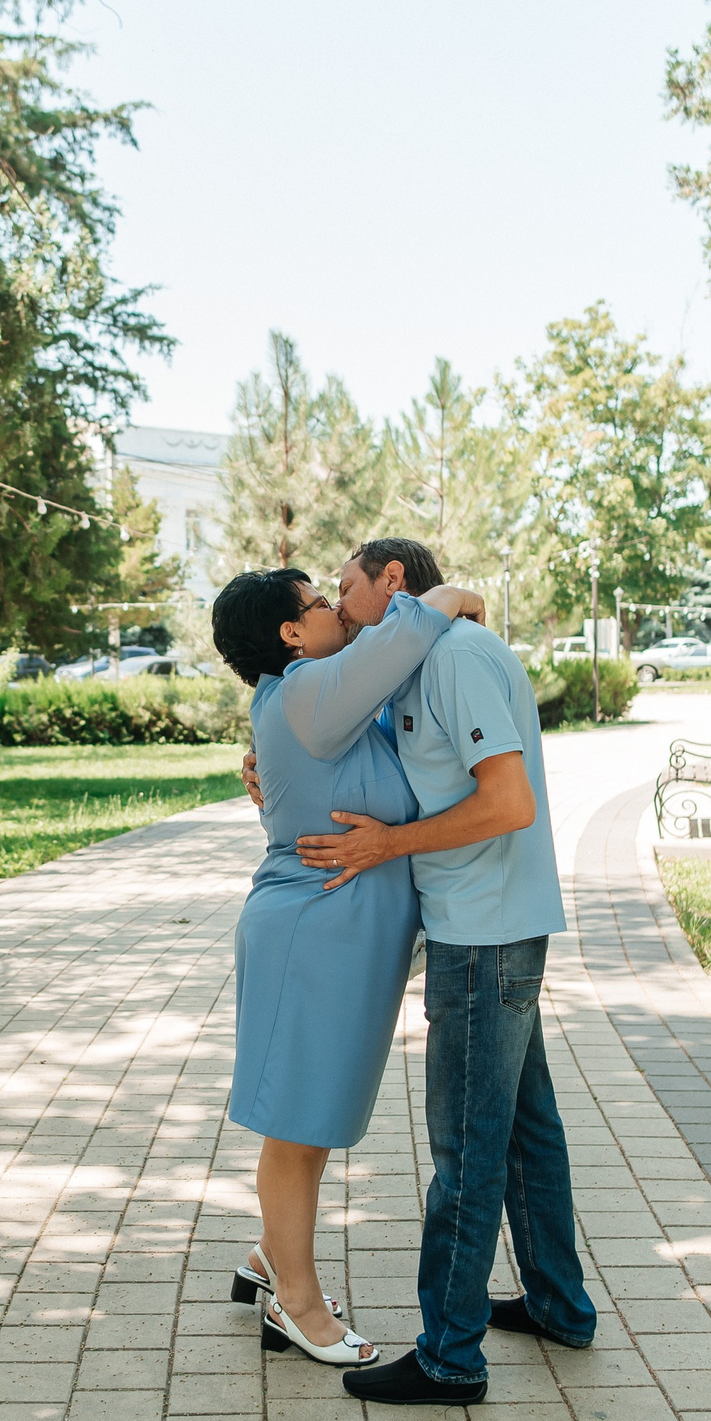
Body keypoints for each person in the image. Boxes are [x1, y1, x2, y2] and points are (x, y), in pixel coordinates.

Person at [278, 536, 596, 1406]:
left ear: (391, 583)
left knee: (466, 1146)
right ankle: (560, 1306)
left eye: (344, 587)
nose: (337, 605)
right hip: (479, 929)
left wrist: (388, 845)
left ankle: (450, 1354)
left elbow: (509, 802)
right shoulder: (416, 662)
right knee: (528, 1128)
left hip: (486, 937)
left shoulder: (456, 661)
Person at [210, 566, 483, 1366]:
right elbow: (402, 636)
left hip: (338, 936)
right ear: (292, 634)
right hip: (311, 934)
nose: (333, 609)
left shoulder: (316, 697)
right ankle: (295, 1304)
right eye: (319, 602)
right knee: (296, 1126)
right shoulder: (306, 690)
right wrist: (447, 595)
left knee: (314, 1118)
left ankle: (271, 1257)